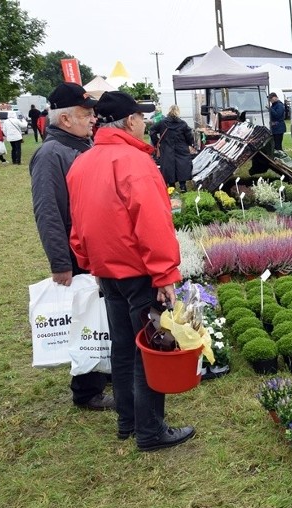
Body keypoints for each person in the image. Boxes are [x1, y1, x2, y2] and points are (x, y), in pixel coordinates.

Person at [66, 91, 195, 451]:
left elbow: (77, 225)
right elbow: (153, 224)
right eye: (140, 116)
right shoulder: (134, 163)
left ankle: (128, 421)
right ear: (130, 121)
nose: (143, 122)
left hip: (107, 271)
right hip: (138, 273)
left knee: (123, 347)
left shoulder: (83, 162)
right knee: (148, 349)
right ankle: (150, 431)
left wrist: (89, 261)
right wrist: (165, 274)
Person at [29, 82, 114, 410]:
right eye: (85, 114)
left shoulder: (83, 145)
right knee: (86, 317)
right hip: (75, 255)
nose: (92, 119)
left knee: (99, 313)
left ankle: (100, 369)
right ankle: (87, 391)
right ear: (64, 120)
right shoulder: (51, 155)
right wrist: (60, 263)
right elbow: (48, 212)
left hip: (95, 250)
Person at [149, 105, 195, 191]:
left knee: (168, 165)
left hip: (166, 147)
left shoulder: (162, 123)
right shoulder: (182, 124)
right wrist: (190, 143)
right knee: (182, 165)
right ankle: (182, 185)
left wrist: (157, 142)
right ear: (178, 112)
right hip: (181, 147)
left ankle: (171, 186)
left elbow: (152, 130)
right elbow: (189, 135)